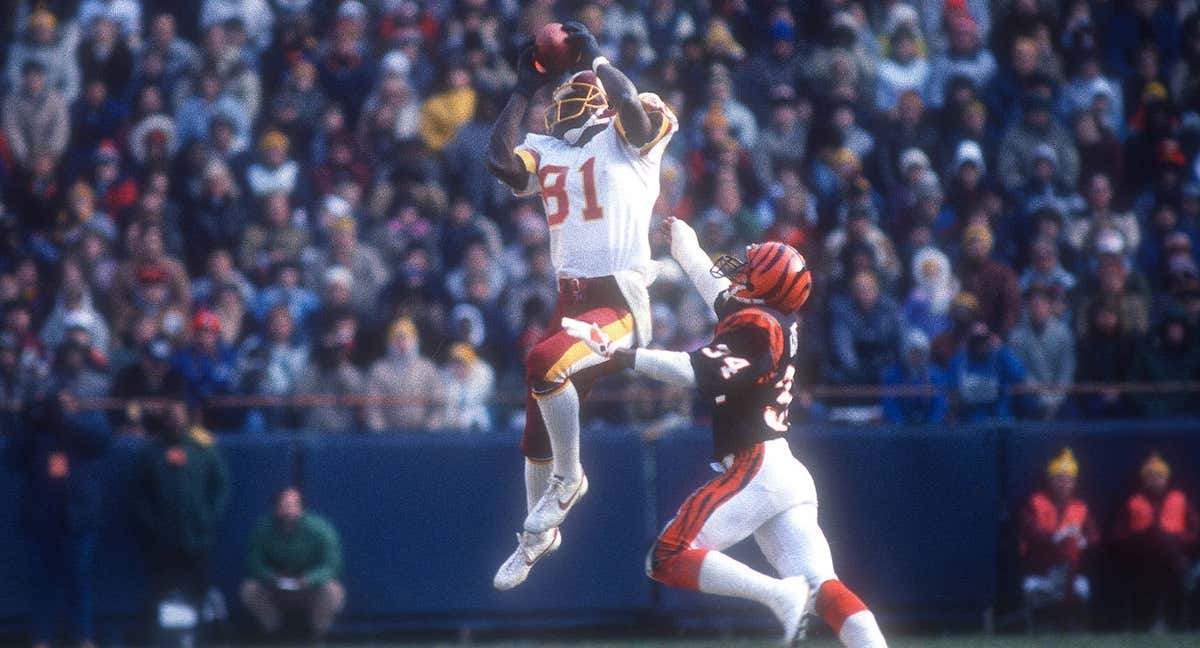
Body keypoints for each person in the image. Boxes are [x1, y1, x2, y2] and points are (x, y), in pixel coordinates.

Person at [565, 218, 886, 647]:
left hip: (759, 466)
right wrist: (685, 242)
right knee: (825, 590)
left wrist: (621, 356)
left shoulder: (758, 327)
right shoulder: (768, 317)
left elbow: (694, 371)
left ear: (764, 285)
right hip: (781, 467)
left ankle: (777, 594)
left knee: (667, 555)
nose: (739, 272)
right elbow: (709, 280)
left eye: (750, 269)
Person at [487, 22, 677, 589]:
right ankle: (535, 538)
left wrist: (594, 59)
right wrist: (521, 90)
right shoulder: (544, 147)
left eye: (579, 88)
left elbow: (629, 106)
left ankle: (571, 480)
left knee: (543, 363)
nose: (564, 96)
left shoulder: (629, 129)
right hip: (569, 298)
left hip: (618, 296)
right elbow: (498, 163)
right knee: (535, 429)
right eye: (557, 92)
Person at [4, 386, 112, 648]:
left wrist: (64, 421)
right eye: (57, 404)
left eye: (65, 402)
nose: (60, 408)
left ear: (75, 404)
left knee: (79, 581)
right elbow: (11, 460)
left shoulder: (87, 423)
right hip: (42, 518)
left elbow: (101, 442)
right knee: (43, 583)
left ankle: (83, 636)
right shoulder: (37, 429)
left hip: (78, 517)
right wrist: (30, 423)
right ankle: (43, 637)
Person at [134, 390, 229, 629]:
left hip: (197, 535)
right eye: (170, 415)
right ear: (164, 419)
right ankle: (163, 638)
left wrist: (208, 516)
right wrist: (151, 522)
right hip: (163, 537)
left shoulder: (203, 448)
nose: (175, 420)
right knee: (162, 591)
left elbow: (221, 486)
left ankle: (200, 636)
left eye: (179, 415)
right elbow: (138, 492)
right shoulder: (151, 451)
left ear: (187, 417)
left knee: (199, 589)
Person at [241, 487, 345, 641]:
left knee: (333, 590)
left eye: (293, 505)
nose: (288, 510)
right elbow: (254, 563)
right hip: (277, 587)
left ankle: (317, 633)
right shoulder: (263, 529)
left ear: (301, 507)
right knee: (249, 589)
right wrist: (272, 577)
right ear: (275, 508)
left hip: (309, 588)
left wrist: (309, 578)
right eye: (283, 505)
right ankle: (275, 630)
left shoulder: (321, 530)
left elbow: (332, 564)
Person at [1113, 453, 1200, 631]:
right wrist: (1139, 538)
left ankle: (1173, 619)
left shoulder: (1181, 499)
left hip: (1176, 551)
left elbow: (1195, 530)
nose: (1155, 481)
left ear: (1166, 478)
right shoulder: (1132, 502)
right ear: (1144, 480)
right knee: (1154, 536)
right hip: (1142, 556)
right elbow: (1118, 534)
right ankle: (1150, 620)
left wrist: (1178, 538)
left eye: (1159, 476)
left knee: (1164, 540)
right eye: (1150, 477)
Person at [1018, 449, 1098, 629]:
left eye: (1068, 480)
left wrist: (1082, 540)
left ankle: (1064, 614)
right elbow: (1030, 532)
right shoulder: (1035, 502)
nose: (1063, 484)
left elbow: (1093, 536)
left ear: (1074, 483)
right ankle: (1063, 616)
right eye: (1059, 479)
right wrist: (1056, 537)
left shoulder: (1081, 507)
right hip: (1041, 562)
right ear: (1050, 480)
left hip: (1072, 563)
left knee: (1070, 548)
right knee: (1066, 547)